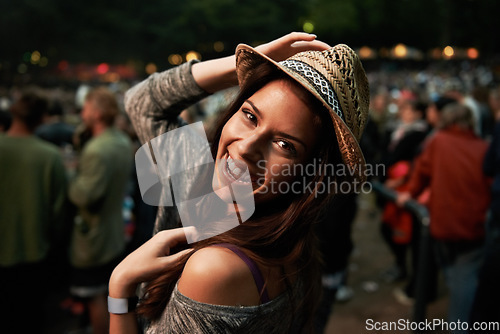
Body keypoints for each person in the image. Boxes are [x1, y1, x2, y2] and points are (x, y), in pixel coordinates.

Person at [110, 32, 370, 333]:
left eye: (285, 145)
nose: (246, 147)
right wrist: (246, 62)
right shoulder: (206, 186)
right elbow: (143, 103)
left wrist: (120, 291)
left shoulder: (215, 270)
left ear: (310, 174)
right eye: (249, 116)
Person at [397, 103, 490, 332]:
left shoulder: (438, 141)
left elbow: (421, 173)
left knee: (458, 279)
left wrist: (409, 193)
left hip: (444, 225)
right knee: (462, 278)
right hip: (475, 226)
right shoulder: (484, 147)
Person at [0, 92, 67, 333]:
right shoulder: (49, 156)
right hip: (34, 251)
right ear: (41, 119)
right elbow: (58, 211)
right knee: (29, 318)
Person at [68, 87, 133, 334]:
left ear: (96, 113)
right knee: (108, 293)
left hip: (93, 238)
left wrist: (71, 176)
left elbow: (84, 195)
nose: (81, 113)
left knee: (95, 296)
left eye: (85, 108)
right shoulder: (122, 140)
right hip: (114, 232)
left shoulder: (97, 149)